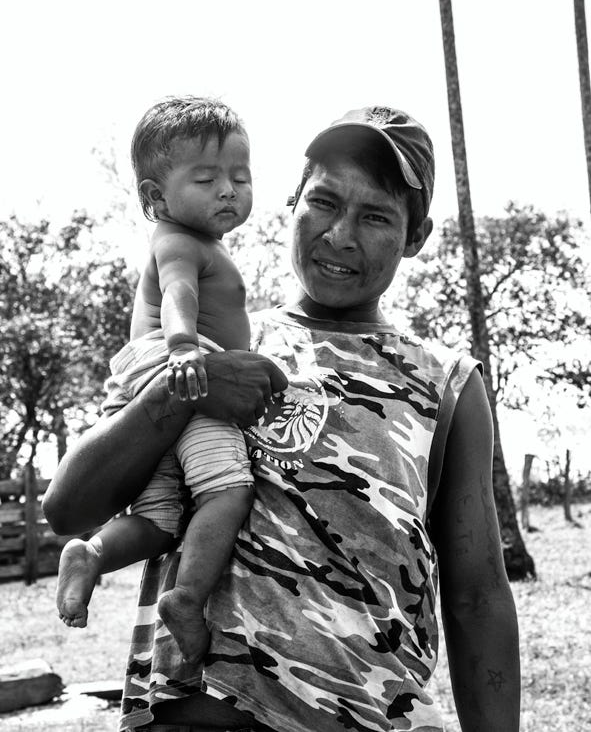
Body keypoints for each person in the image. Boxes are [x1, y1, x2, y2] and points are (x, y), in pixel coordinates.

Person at [44, 105, 520, 732]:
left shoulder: (444, 382)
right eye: (322, 202)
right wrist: (188, 389)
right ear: (292, 201)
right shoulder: (212, 340)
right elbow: (68, 509)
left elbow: (477, 595)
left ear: (416, 235)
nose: (340, 235)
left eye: (375, 215)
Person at [56, 96, 256, 664]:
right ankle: (187, 597)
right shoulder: (178, 242)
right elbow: (178, 294)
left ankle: (92, 555)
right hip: (185, 370)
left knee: (158, 519)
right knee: (227, 486)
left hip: (158, 374)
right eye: (207, 178)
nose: (228, 190)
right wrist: (185, 348)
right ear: (155, 197)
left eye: (240, 177)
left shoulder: (201, 242)